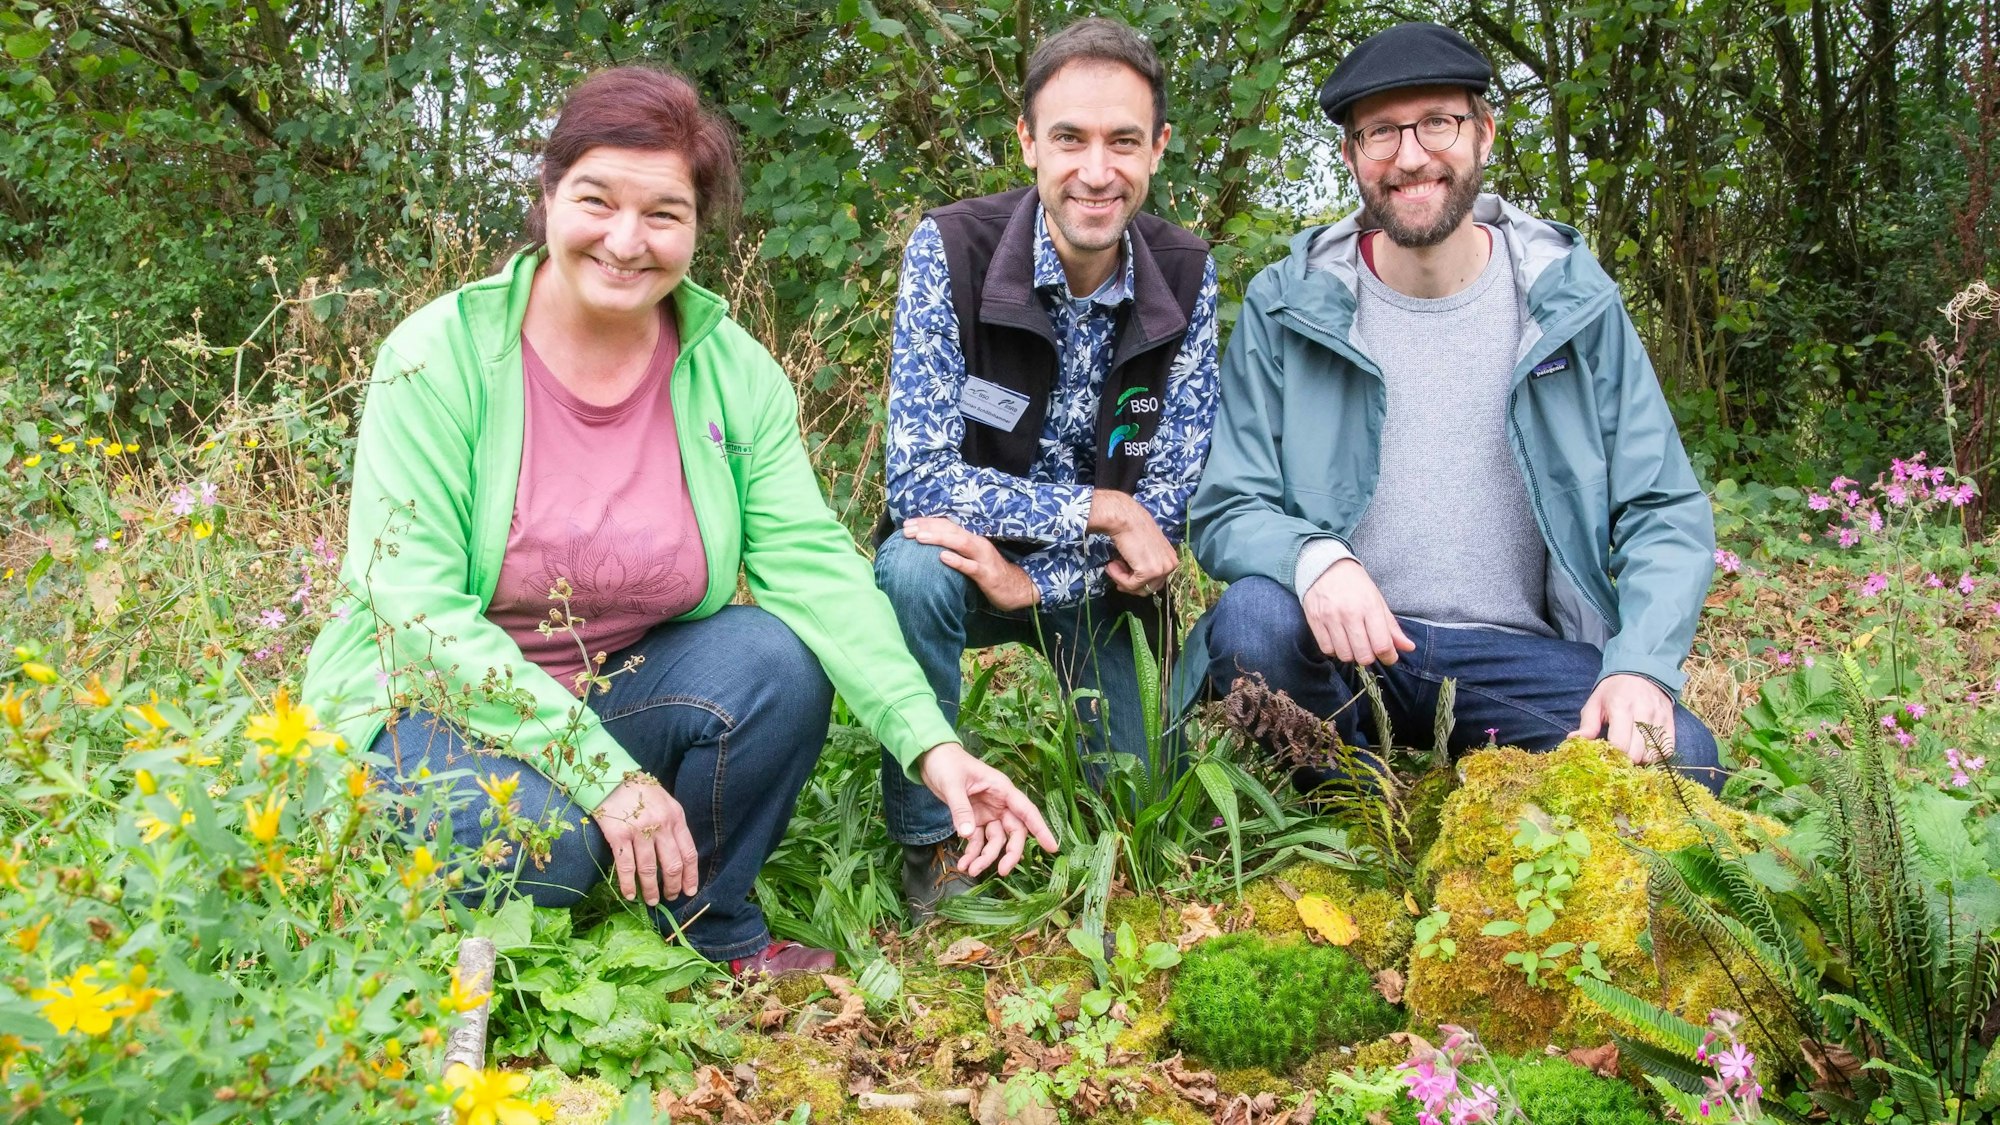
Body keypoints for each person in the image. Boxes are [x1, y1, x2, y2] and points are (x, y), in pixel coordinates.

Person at [303, 66, 1056, 978]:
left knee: (774, 658)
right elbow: (418, 618)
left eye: (663, 213)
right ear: (548, 197)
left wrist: (931, 745)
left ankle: (709, 921)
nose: (627, 240)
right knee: (554, 839)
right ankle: (556, 866)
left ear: (698, 227)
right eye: (597, 200)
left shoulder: (732, 371)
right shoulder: (437, 357)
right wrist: (605, 775)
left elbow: (813, 565)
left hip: (617, 685)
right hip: (430, 706)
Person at [1182, 23, 1725, 792]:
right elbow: (1227, 505)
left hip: (1516, 658)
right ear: (1351, 155)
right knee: (1252, 622)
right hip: (1346, 651)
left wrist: (1639, 665)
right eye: (1380, 132)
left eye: (1437, 122)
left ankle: (1500, 804)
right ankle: (1349, 799)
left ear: (1484, 132)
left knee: (1689, 766)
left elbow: (1663, 508)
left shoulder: (1570, 301)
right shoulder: (1287, 304)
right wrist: (1314, 558)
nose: (1410, 156)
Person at [873, 17, 1221, 920]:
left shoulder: (1187, 276)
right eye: (1069, 137)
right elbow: (915, 478)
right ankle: (929, 839)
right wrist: (1098, 508)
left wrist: (1042, 580)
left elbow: (1170, 501)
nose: (1096, 171)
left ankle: (1106, 821)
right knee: (910, 566)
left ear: (1158, 150)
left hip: (1096, 590)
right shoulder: (949, 250)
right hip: (964, 567)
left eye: (1123, 142)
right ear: (1027, 139)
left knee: (1145, 801)